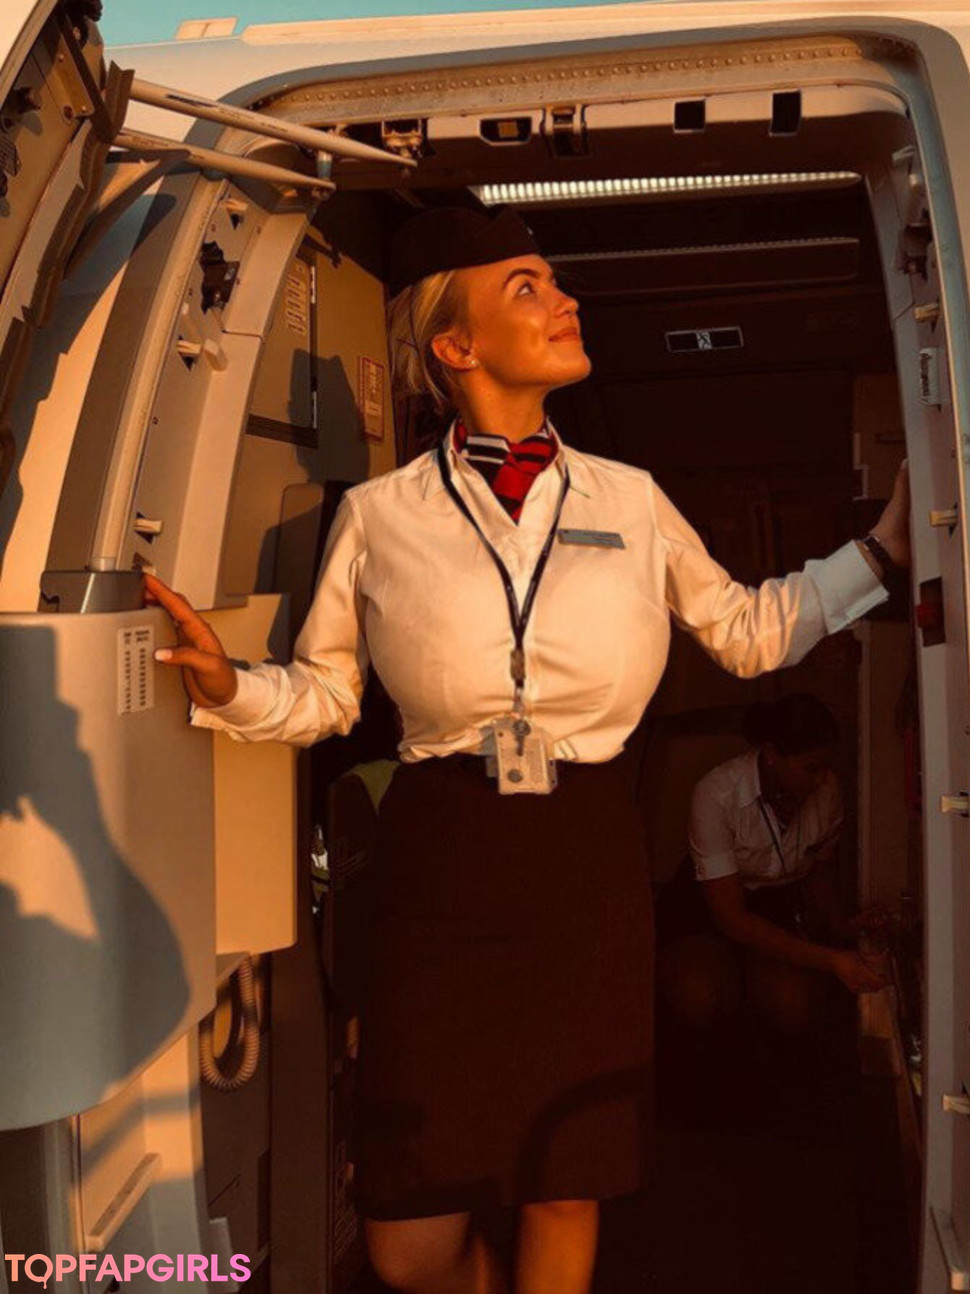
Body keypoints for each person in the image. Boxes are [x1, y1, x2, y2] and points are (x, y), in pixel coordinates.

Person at [143, 202, 910, 1294]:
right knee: (409, 1240)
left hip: (582, 858)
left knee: (565, 1174)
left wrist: (881, 551)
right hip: (441, 863)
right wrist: (232, 691)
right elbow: (327, 694)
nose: (565, 301)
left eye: (555, 284)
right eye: (528, 288)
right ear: (455, 346)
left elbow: (748, 631)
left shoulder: (630, 501)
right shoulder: (381, 515)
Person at [661, 694, 889, 1040]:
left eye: (825, 767)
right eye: (810, 768)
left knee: (796, 1005)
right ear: (770, 755)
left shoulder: (827, 792)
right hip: (707, 906)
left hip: (774, 903)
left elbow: (821, 872)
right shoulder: (716, 794)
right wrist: (832, 959)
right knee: (700, 996)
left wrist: (843, 924)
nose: (820, 779)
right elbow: (731, 918)